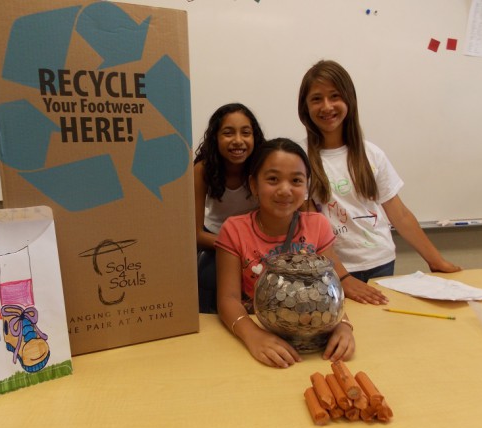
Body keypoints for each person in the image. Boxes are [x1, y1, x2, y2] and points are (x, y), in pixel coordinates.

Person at [298, 60, 461, 305]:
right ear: (305, 107)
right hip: (332, 268)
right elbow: (309, 228)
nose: (327, 106)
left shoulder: (371, 154)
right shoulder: (299, 159)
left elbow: (401, 216)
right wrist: (342, 276)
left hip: (380, 263)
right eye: (317, 99)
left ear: (349, 100)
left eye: (335, 96)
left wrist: (436, 261)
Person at [215, 138, 355, 368]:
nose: (285, 190)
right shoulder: (234, 229)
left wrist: (343, 325)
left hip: (314, 341)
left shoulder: (317, 225)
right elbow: (227, 299)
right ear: (253, 185)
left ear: (306, 186)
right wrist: (253, 336)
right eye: (272, 179)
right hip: (261, 331)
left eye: (296, 180)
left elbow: (332, 287)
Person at [194, 103, 266, 313]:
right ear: (215, 137)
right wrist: (237, 248)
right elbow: (195, 234)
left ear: (255, 137)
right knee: (209, 277)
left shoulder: (262, 166)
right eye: (228, 133)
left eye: (246, 133)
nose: (238, 141)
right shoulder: (202, 170)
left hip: (257, 242)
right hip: (215, 239)